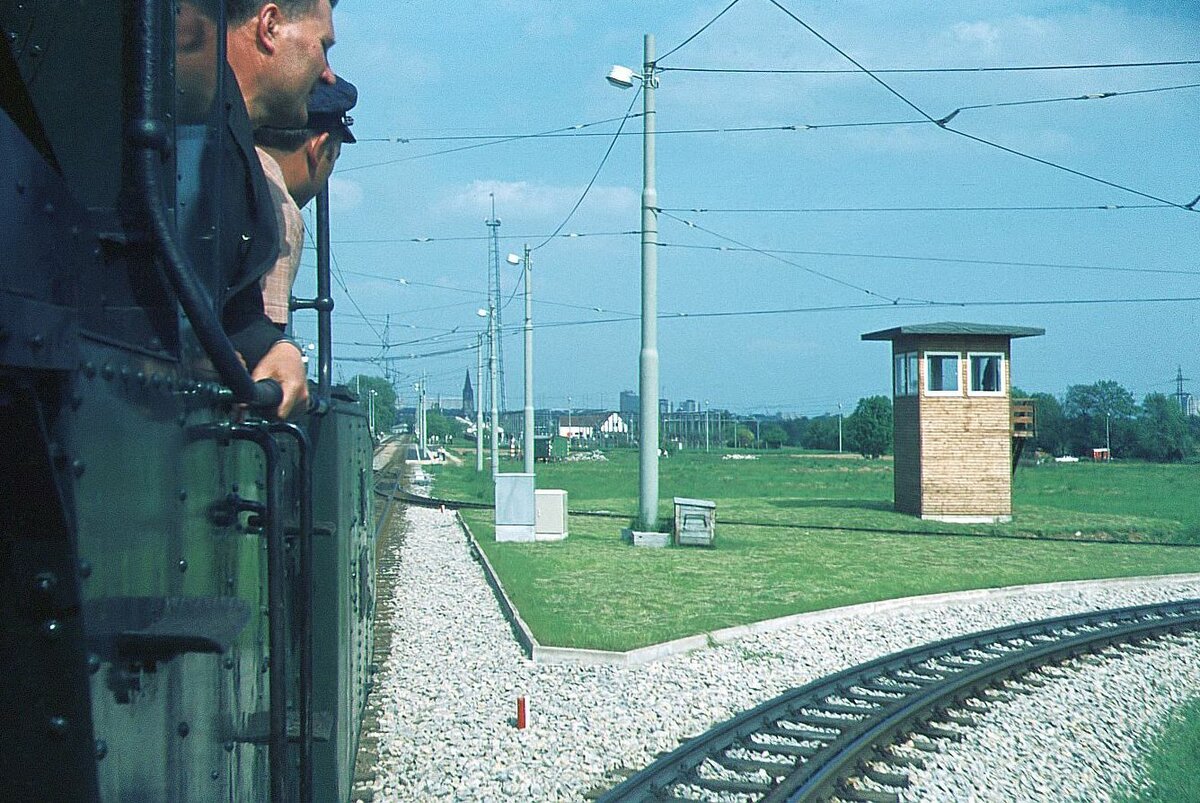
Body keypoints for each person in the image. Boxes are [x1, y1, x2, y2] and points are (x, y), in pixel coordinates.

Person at [177, 0, 338, 417]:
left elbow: (227, 305)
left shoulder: (230, 146)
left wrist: (273, 346)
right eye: (324, 45)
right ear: (269, 26)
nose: (327, 73)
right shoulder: (195, 133)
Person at [254, 75, 357, 326]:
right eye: (335, 158)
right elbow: (261, 340)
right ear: (319, 148)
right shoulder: (276, 205)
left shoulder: (228, 171)